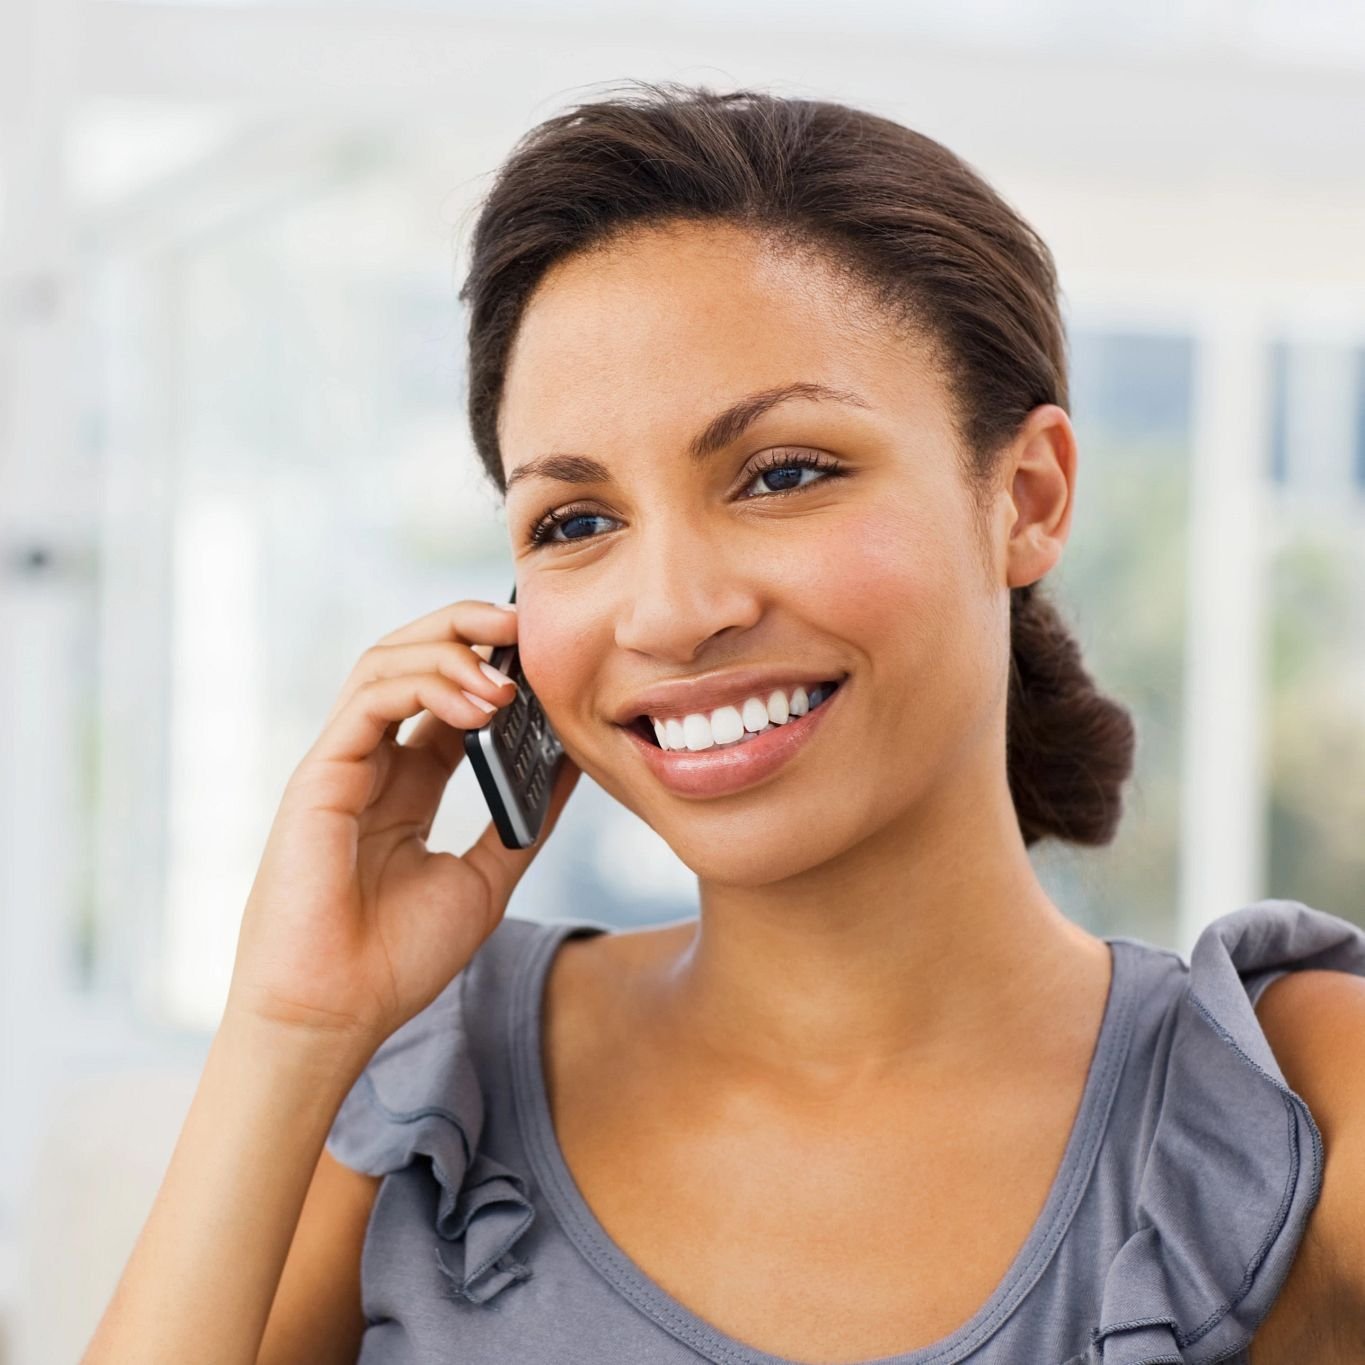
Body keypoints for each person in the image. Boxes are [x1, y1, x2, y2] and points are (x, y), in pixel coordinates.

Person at [82, 81, 1365, 1365]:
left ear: (1024, 498)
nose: (673, 614)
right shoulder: (429, 1089)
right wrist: (288, 1029)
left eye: (784, 474)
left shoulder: (1284, 1095)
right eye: (575, 523)